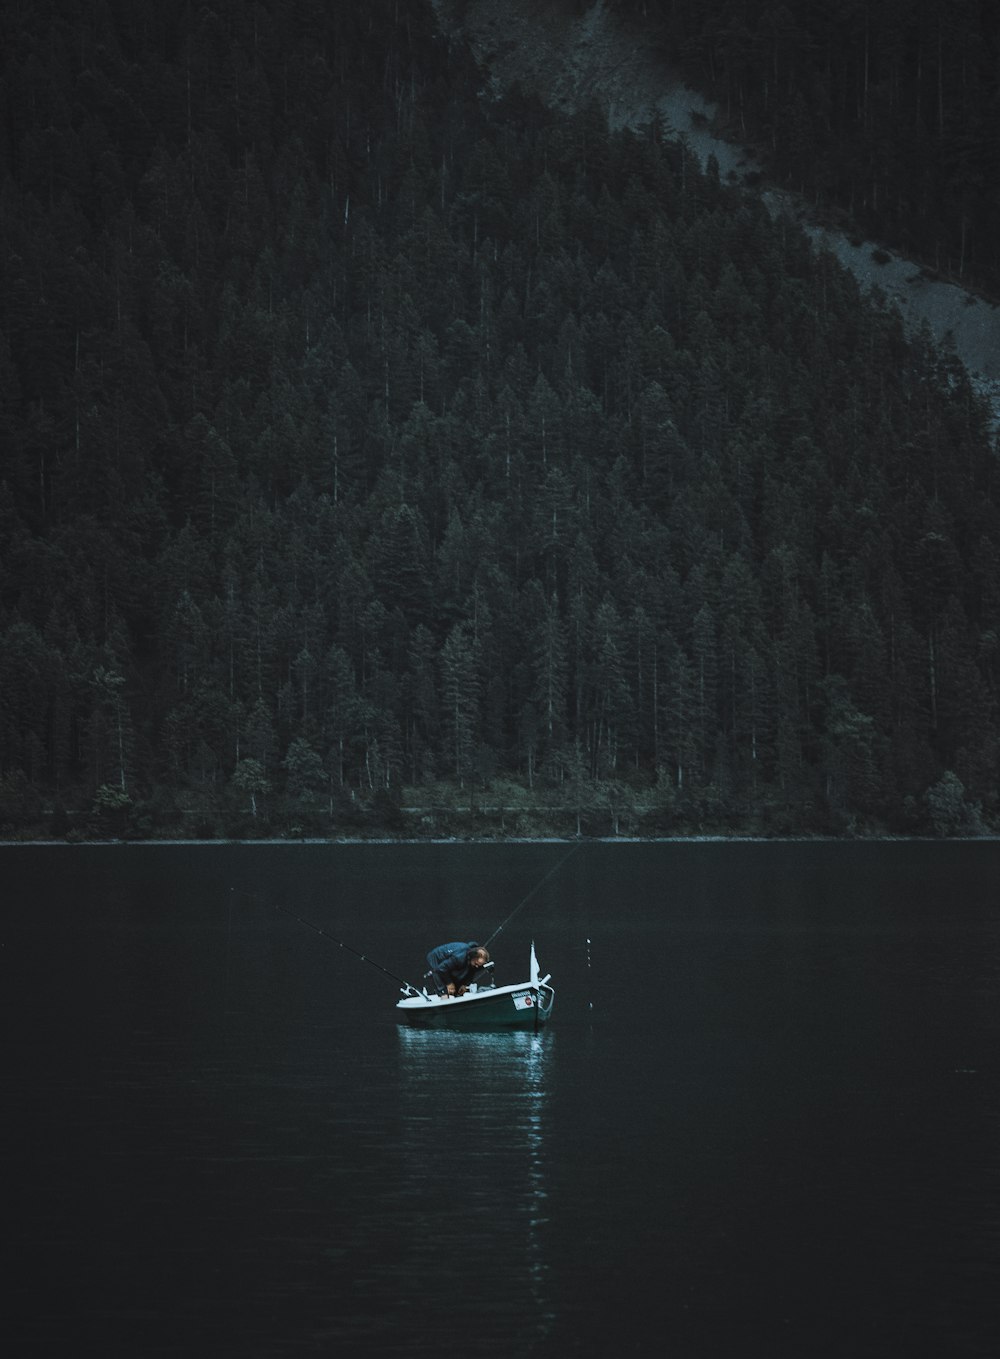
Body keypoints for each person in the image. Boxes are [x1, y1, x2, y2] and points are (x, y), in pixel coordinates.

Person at [425, 941, 490, 996]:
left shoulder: (472, 961)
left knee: (457, 987)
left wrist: (464, 984)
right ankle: (444, 997)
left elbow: (471, 971)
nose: (477, 966)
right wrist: (449, 983)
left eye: (479, 965)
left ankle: (456, 997)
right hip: (437, 959)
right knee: (443, 986)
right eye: (476, 964)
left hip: (448, 964)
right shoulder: (460, 957)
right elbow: (442, 968)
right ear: (473, 957)